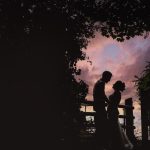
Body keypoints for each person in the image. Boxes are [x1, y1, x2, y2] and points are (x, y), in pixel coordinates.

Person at [107, 81, 134, 150]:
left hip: (113, 112)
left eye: (115, 85)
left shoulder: (117, 93)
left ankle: (115, 144)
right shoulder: (117, 93)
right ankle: (115, 144)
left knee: (114, 128)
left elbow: (114, 104)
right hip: (112, 111)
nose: (114, 85)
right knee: (114, 128)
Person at [93, 71, 112, 150]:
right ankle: (101, 145)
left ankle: (98, 144)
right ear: (106, 76)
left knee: (100, 126)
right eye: (109, 78)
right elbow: (102, 94)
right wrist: (108, 102)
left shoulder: (98, 82)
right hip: (100, 107)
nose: (109, 80)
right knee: (103, 126)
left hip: (98, 106)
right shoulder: (101, 83)